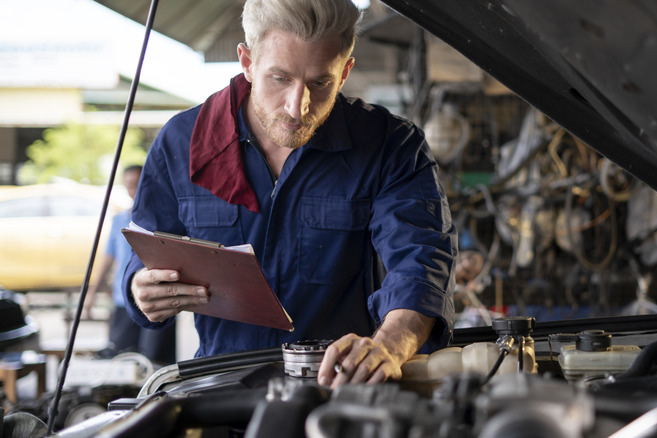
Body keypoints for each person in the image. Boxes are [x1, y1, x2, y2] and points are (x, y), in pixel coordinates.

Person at [122, 0, 457, 387]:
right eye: (280, 78)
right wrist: (140, 287)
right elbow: (143, 248)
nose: (297, 106)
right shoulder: (183, 142)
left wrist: (389, 346)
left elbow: (420, 263)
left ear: (345, 71)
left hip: (341, 390)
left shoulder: (390, 146)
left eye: (320, 82)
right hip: (222, 392)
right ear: (247, 61)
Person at [85, 165, 177, 364]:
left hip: (157, 300)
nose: (133, 191)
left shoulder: (166, 218)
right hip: (123, 300)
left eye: (137, 185)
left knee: (155, 361)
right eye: (129, 186)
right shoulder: (119, 220)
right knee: (121, 359)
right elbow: (108, 258)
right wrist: (92, 293)